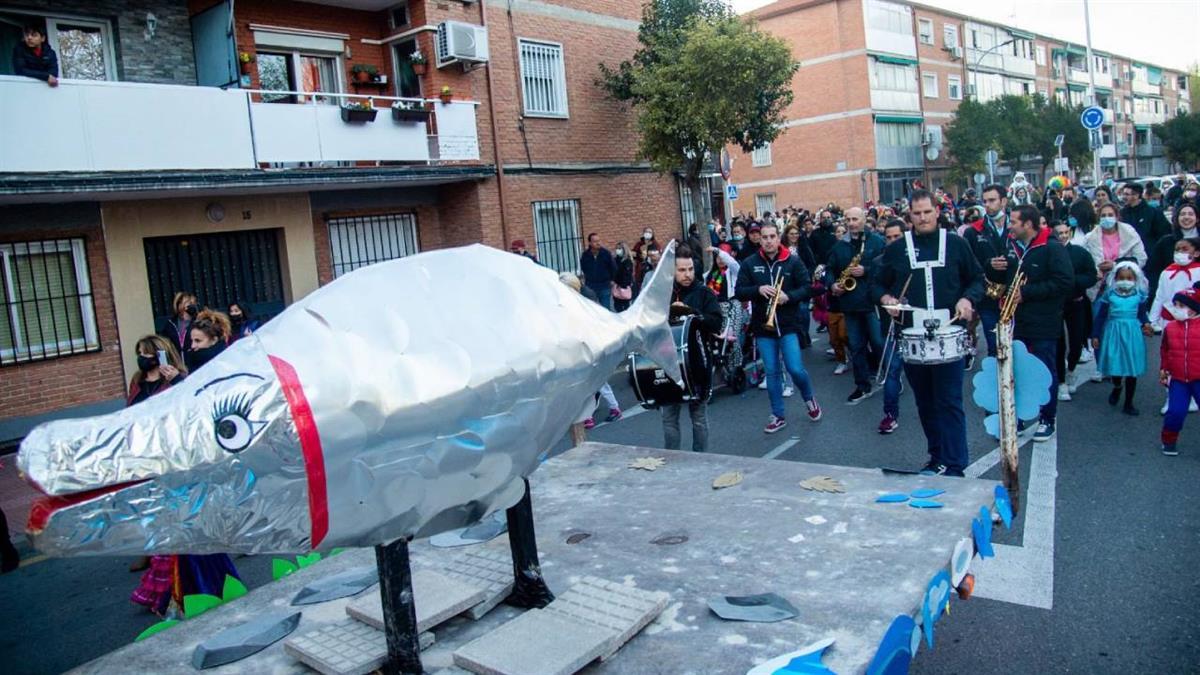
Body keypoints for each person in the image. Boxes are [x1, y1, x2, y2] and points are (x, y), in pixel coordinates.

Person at [873, 190, 984, 476]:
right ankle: (937, 458)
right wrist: (887, 299)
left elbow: (977, 279)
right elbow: (876, 283)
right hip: (912, 337)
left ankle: (956, 465)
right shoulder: (897, 249)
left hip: (949, 335)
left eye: (927, 212)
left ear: (937, 211)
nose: (922, 218)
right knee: (925, 402)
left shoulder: (956, 244)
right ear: (909, 215)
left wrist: (967, 299)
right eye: (917, 213)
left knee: (949, 401)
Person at [129, 335, 241, 616]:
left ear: (161, 353)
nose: (143, 357)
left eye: (147, 352)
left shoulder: (179, 379)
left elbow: (195, 411)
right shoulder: (137, 382)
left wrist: (178, 382)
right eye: (139, 352)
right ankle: (168, 593)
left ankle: (195, 590)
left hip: (179, 462)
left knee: (188, 527)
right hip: (152, 460)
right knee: (166, 529)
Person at [993, 205, 1073, 441]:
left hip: (1043, 322)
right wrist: (993, 268)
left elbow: (1064, 282)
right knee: (1016, 371)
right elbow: (1004, 279)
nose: (1010, 226)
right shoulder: (1012, 245)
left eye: (1014, 222)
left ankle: (1047, 418)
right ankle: (1016, 417)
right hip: (1016, 321)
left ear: (1028, 224)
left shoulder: (1052, 248)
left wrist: (1027, 293)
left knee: (1044, 370)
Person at [735, 222, 823, 433]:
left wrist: (788, 296)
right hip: (763, 326)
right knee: (772, 372)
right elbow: (739, 291)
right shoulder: (749, 263)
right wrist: (758, 289)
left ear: (778, 237)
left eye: (772, 236)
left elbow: (808, 288)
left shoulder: (792, 261)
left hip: (788, 324)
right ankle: (778, 414)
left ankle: (809, 399)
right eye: (764, 237)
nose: (768, 241)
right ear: (760, 239)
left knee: (795, 368)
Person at [661, 247, 721, 452]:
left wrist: (692, 313)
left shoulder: (704, 292)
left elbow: (717, 323)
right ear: (672, 271)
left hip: (697, 362)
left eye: (690, 269)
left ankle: (700, 459)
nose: (687, 274)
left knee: (698, 418)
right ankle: (672, 458)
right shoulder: (663, 293)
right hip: (669, 361)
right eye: (681, 270)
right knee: (669, 418)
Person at [827, 207, 886, 404]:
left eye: (855, 219)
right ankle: (862, 385)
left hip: (872, 303)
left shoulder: (876, 241)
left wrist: (866, 270)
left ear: (863, 219)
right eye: (848, 219)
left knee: (878, 342)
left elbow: (886, 268)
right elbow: (830, 269)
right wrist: (832, 284)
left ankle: (890, 376)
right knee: (856, 346)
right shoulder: (839, 246)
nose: (851, 223)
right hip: (850, 304)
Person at [558, 272, 623, 428]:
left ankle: (591, 415)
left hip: (589, 346)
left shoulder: (582, 303)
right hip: (580, 347)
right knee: (593, 382)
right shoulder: (569, 303)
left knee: (590, 382)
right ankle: (611, 409)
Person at [1091, 261, 1151, 416]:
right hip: (1114, 332)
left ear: (1135, 279)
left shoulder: (1139, 295)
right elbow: (1101, 316)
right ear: (1115, 278)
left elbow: (1142, 314)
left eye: (1129, 278)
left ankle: (1128, 403)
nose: (1125, 281)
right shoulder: (1109, 295)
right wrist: (1095, 335)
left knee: (1132, 369)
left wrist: (1146, 324)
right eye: (1121, 278)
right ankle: (1117, 386)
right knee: (1115, 363)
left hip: (1132, 332)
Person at [963, 184, 1011, 359]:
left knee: (1016, 346)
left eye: (992, 200)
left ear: (1003, 201)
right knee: (994, 346)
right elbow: (968, 264)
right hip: (988, 297)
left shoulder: (1017, 225)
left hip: (1015, 296)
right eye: (985, 201)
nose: (987, 205)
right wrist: (988, 264)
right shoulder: (972, 232)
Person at [1052, 222, 1098, 402]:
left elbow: (1091, 275)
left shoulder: (1080, 253)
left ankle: (1071, 370)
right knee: (1059, 343)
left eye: (1066, 232)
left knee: (1077, 340)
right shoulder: (1050, 253)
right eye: (1059, 233)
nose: (1063, 236)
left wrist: (1073, 281)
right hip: (1056, 304)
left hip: (1077, 302)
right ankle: (1061, 382)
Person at [1159, 287, 1200, 456]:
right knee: (1175, 412)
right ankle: (1169, 441)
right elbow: (1165, 350)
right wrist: (1164, 369)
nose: (1177, 308)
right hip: (1178, 379)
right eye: (1175, 304)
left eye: (1181, 305)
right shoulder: (1170, 328)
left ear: (1194, 308)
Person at [876, 220, 907, 434]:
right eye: (889, 237)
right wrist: (885, 298)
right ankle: (890, 414)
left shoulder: (916, 259)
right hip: (893, 325)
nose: (893, 241)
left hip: (918, 325)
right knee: (892, 370)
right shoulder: (880, 262)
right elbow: (874, 288)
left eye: (897, 237)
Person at [1084, 202, 1147, 298]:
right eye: (1103, 215)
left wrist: (1115, 265)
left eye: (1110, 215)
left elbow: (1141, 259)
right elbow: (1086, 262)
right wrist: (1096, 270)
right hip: (1100, 288)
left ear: (1117, 217)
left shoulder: (1130, 234)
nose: (1107, 218)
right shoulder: (1090, 238)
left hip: (1127, 284)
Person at [1146, 202, 1199, 297]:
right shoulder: (1166, 241)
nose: (1186, 217)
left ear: (1197, 218)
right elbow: (1153, 269)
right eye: (1182, 214)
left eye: (1191, 214)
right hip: (1170, 291)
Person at [1119, 182, 1171, 254]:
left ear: (1136, 195)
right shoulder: (1122, 213)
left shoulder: (1153, 212)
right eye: (1123, 194)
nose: (1123, 197)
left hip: (1150, 254)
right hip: (1129, 254)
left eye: (1126, 194)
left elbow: (1164, 234)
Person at [579, 232, 616, 310]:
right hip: (590, 287)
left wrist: (612, 280)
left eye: (599, 241)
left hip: (604, 286)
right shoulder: (585, 255)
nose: (598, 243)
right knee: (592, 310)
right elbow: (584, 268)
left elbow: (613, 267)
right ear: (590, 243)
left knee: (605, 310)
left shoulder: (606, 253)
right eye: (595, 241)